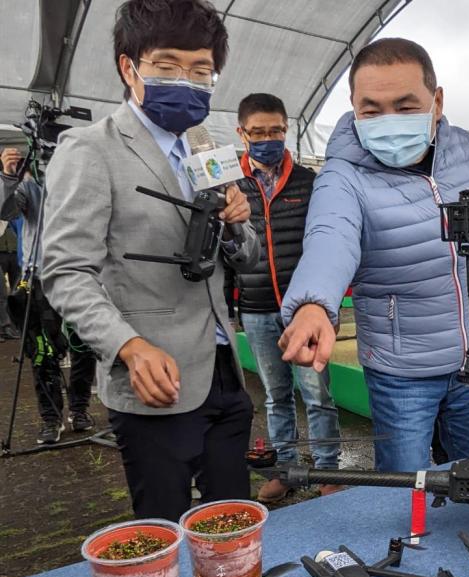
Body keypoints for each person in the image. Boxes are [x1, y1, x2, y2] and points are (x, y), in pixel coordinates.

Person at [40, 0, 259, 521]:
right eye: (167, 66)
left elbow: (246, 255)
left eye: (201, 70)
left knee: (232, 521)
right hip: (153, 378)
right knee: (164, 527)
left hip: (224, 372)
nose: (186, 79)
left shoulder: (207, 145)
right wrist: (130, 348)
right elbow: (66, 271)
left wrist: (235, 223)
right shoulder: (90, 150)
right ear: (129, 67)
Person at [279, 38, 469, 472]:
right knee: (406, 488)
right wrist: (314, 303)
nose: (388, 121)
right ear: (353, 107)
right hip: (400, 372)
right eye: (371, 110)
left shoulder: (466, 153)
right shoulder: (341, 174)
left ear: (437, 101)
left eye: (406, 107)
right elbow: (331, 236)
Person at [233, 92, 341, 502]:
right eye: (258, 131)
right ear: (241, 133)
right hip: (258, 307)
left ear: (286, 128)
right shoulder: (230, 184)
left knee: (318, 393)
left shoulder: (308, 182)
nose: (267, 138)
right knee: (276, 395)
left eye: (275, 130)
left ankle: (329, 469)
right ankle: (286, 471)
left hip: (305, 310)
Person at [2, 148, 97, 442]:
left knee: (85, 347)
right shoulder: (31, 187)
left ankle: (79, 409)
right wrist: (7, 175)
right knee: (42, 350)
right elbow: (5, 212)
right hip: (41, 281)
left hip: (82, 279)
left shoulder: (85, 184)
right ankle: (50, 417)